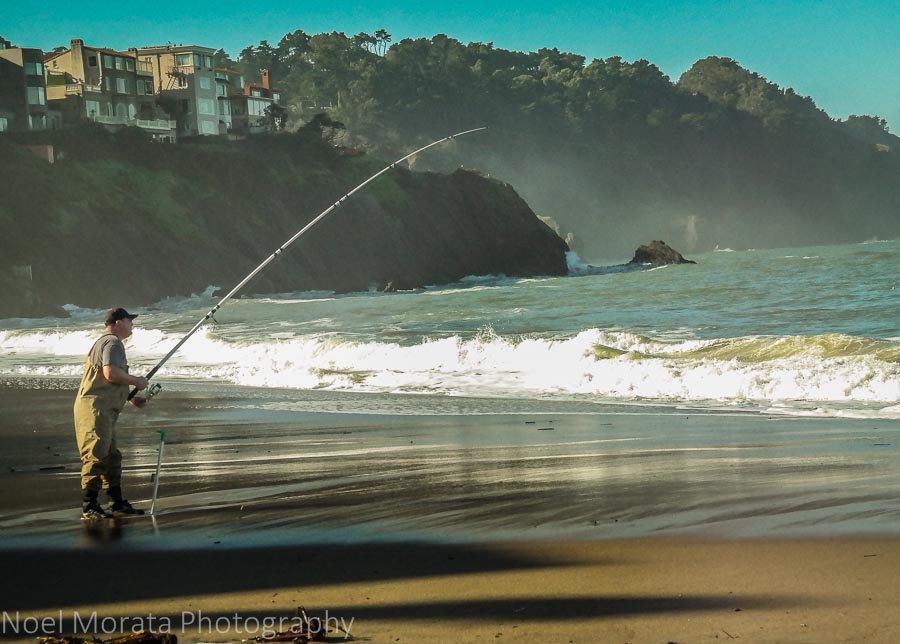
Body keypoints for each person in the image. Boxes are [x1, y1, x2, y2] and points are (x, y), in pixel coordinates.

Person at [73, 307, 150, 519]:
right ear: (118, 322)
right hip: (95, 409)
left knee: (112, 457)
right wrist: (137, 381)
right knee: (96, 455)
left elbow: (105, 378)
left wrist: (131, 397)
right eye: (129, 320)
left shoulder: (107, 342)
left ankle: (117, 503)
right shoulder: (112, 342)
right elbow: (110, 373)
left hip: (101, 409)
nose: (131, 324)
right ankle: (89, 507)